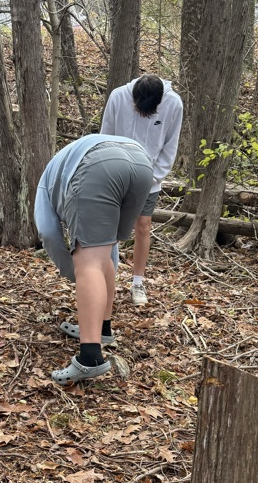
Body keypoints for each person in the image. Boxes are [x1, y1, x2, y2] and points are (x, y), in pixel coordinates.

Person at [35, 134, 153, 384]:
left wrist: (75, 271)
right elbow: (108, 250)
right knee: (101, 251)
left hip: (99, 166)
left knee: (88, 262)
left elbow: (47, 232)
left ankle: (90, 359)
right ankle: (102, 329)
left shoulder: (45, 185)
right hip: (142, 162)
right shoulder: (61, 167)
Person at [100, 74, 183, 306]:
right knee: (112, 228)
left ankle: (137, 283)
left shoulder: (174, 103)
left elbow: (170, 145)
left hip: (150, 177)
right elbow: (105, 135)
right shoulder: (118, 96)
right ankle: (108, 281)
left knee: (143, 226)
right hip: (116, 173)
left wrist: (153, 177)